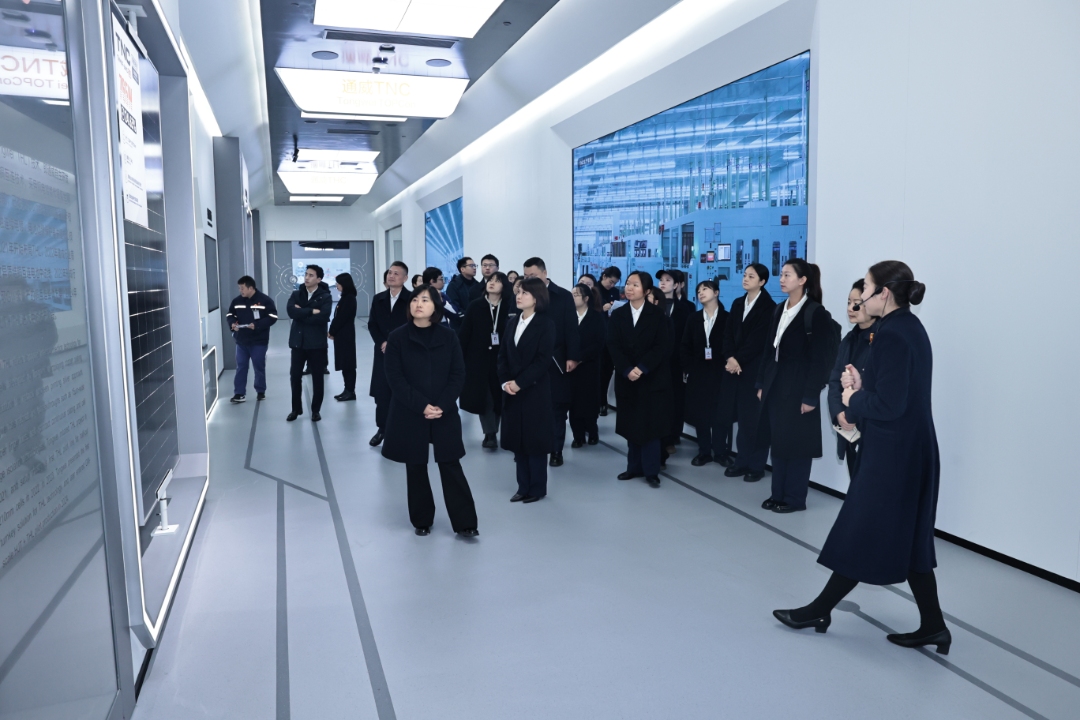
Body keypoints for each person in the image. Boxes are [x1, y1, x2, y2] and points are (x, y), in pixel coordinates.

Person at [774, 262, 948, 654]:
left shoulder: (892, 335)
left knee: (858, 530)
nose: (861, 299)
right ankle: (934, 625)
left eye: (866, 289)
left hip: (892, 454)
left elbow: (889, 405)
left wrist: (853, 397)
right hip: (910, 448)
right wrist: (864, 385)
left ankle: (818, 610)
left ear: (884, 293)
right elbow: (899, 392)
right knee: (910, 540)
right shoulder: (909, 328)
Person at [382, 285, 478, 537]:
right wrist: (421, 405)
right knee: (415, 465)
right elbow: (395, 378)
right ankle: (422, 520)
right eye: (414, 299)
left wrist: (441, 405)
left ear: (436, 306)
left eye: (425, 300)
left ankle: (465, 523)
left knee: (450, 463)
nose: (418, 304)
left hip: (443, 410)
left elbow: (458, 374)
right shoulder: (397, 337)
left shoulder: (449, 336)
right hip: (410, 410)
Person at [756, 258, 838, 513]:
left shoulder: (816, 313)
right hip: (776, 386)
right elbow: (768, 350)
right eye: (781, 274)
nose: (782, 279)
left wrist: (811, 395)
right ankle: (777, 494)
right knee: (779, 442)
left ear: (803, 280)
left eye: (787, 275)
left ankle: (794, 498)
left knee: (798, 445)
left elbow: (820, 360)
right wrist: (761, 382)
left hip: (800, 388)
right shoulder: (779, 310)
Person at [607, 271, 672, 488]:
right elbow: (613, 345)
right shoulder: (618, 315)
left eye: (635, 285)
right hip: (627, 378)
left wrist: (642, 368)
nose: (629, 288)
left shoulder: (657, 315)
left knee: (651, 426)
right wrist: (627, 369)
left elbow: (661, 347)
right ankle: (633, 467)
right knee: (631, 425)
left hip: (651, 378)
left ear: (646, 291)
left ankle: (651, 471)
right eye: (628, 284)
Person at [498, 277, 556, 503]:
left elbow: (542, 361)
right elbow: (502, 355)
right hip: (511, 390)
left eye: (525, 293)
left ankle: (537, 488)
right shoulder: (512, 322)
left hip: (534, 390)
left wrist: (519, 382)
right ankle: (522, 486)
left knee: (535, 441)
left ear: (537, 298)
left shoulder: (546, 324)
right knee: (518, 441)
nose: (519, 296)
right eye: (518, 292)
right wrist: (505, 382)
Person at [522, 257, 581, 467]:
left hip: (556, 360)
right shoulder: (523, 296)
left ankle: (556, 450)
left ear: (545, 274)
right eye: (526, 276)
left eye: (533, 275)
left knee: (556, 408)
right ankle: (530, 447)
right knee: (531, 407)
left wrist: (572, 356)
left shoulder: (562, 296)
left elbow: (571, 328)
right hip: (529, 361)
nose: (529, 279)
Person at [720, 263, 776, 481]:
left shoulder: (769, 307)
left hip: (754, 370)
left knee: (755, 420)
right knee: (742, 420)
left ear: (762, 281)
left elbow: (758, 341)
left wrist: (738, 359)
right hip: (734, 369)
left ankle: (756, 465)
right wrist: (729, 357)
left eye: (751, 276)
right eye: (745, 275)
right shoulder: (737, 303)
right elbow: (727, 334)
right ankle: (741, 461)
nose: (745, 279)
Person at [458, 272, 515, 448]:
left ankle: (498, 430)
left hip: (503, 359)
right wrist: (460, 359)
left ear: (504, 286)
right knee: (486, 396)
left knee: (501, 395)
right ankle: (490, 433)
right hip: (479, 359)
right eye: (490, 280)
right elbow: (464, 335)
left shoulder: (510, 307)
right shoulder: (475, 306)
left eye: (497, 281)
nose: (492, 283)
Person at [827, 280, 877, 479]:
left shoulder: (882, 339)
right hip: (848, 428)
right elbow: (834, 381)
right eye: (848, 302)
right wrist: (838, 413)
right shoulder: (848, 339)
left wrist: (852, 414)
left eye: (856, 303)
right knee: (855, 482)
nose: (850, 308)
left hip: (870, 427)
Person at [680, 280, 729, 466]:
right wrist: (689, 368)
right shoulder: (693, 318)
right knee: (701, 414)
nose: (701, 293)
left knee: (720, 414)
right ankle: (704, 451)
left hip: (721, 373)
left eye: (705, 289)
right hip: (699, 372)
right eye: (698, 290)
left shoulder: (727, 318)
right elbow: (685, 346)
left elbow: (732, 345)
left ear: (716, 292)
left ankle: (721, 452)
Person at [368, 261, 412, 445]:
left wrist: (393, 343)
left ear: (405, 278)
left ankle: (403, 430)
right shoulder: (378, 299)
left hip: (405, 354)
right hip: (382, 353)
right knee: (382, 393)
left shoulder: (412, 299)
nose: (391, 276)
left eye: (396, 273)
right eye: (390, 273)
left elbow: (413, 326)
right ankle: (382, 429)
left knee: (403, 392)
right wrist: (382, 342)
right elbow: (372, 325)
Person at [286, 265, 332, 422]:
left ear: (319, 279)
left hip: (316, 344)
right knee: (295, 376)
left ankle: (315, 410)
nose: (306, 277)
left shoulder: (325, 297)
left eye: (311, 275)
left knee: (318, 378)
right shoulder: (296, 294)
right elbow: (291, 312)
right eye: (306, 274)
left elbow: (323, 317)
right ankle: (296, 409)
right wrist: (311, 311)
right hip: (298, 343)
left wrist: (301, 313)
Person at [657, 269, 694, 455]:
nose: (663, 283)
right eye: (661, 280)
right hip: (656, 362)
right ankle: (660, 438)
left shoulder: (686, 308)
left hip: (677, 362)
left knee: (676, 400)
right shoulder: (654, 305)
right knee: (659, 401)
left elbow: (688, 338)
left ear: (677, 285)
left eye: (668, 280)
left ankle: (672, 436)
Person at [226, 275, 278, 403]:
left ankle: (260, 391)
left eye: (242, 288)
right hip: (241, 341)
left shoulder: (265, 300)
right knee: (241, 367)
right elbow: (230, 314)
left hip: (259, 341)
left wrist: (257, 325)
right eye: (239, 288)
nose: (240, 291)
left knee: (258, 366)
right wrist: (232, 324)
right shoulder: (237, 301)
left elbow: (273, 317)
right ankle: (239, 393)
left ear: (251, 288)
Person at [569, 283, 604, 448]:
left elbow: (599, 343)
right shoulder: (568, 317)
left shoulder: (596, 317)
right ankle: (578, 436)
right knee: (573, 403)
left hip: (589, 366)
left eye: (576, 295)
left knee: (589, 402)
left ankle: (592, 431)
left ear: (586, 298)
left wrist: (580, 358)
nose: (573, 297)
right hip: (570, 366)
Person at [328, 273, 358, 401]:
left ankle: (350, 391)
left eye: (338, 283)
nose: (336, 285)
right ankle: (347, 390)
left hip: (346, 335)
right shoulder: (345, 297)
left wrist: (332, 331)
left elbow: (341, 318)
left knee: (348, 364)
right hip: (342, 334)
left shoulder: (349, 299)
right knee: (344, 363)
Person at [597, 266, 622, 415]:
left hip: (611, 334)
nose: (612, 285)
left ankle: (603, 401)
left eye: (615, 283)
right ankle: (598, 401)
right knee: (598, 371)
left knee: (607, 370)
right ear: (604, 276)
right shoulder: (595, 290)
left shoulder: (615, 292)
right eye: (611, 282)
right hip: (598, 334)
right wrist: (602, 309)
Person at [446, 257, 479, 328]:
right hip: (459, 325)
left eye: (475, 265)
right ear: (462, 269)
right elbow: (454, 307)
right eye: (471, 266)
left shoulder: (477, 285)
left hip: (476, 324)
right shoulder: (454, 285)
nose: (474, 268)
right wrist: (469, 317)